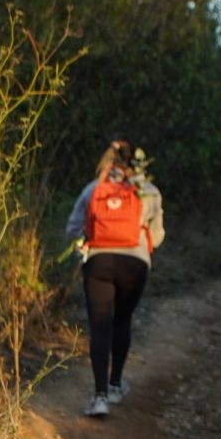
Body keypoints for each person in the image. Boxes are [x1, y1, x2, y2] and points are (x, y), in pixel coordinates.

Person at [62, 138, 165, 417]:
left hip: (99, 262)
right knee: (122, 321)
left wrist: (89, 240)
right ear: (137, 162)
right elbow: (157, 236)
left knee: (100, 328)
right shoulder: (148, 192)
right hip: (135, 264)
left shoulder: (94, 188)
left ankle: (99, 397)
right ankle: (117, 384)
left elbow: (72, 229)